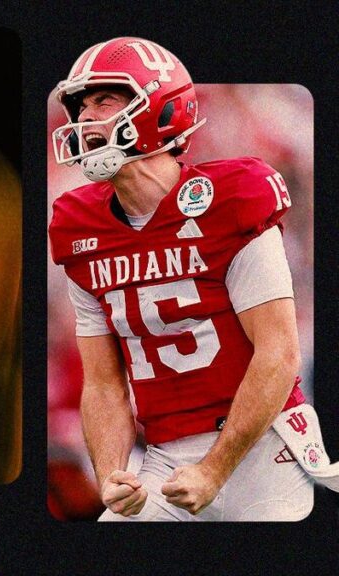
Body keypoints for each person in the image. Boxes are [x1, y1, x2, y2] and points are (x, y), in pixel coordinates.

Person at [48, 37, 313, 521]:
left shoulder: (234, 196)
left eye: (103, 100)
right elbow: (104, 384)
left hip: (265, 445)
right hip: (166, 456)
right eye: (81, 106)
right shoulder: (78, 226)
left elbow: (280, 353)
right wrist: (112, 475)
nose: (85, 119)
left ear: (159, 107)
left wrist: (214, 469)